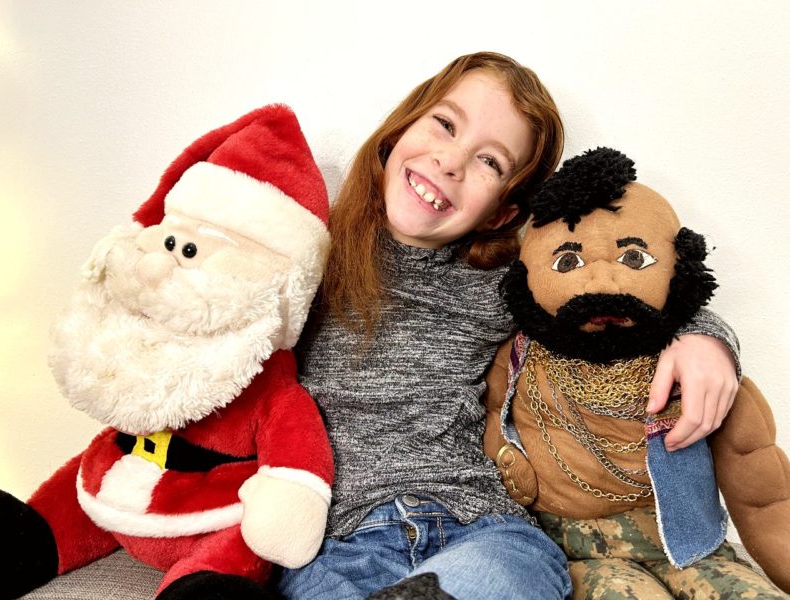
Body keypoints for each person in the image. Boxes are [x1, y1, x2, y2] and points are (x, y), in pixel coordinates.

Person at [276, 51, 741, 600]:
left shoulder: (499, 284)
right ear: (400, 129)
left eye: (489, 162)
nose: (450, 161)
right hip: (341, 544)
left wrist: (705, 336)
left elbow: (613, 301)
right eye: (445, 124)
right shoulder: (305, 251)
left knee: (519, 566)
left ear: (500, 213)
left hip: (479, 526)